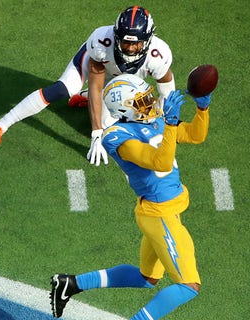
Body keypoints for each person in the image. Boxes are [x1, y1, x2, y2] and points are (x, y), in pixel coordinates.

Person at [50, 74, 213, 319]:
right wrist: (169, 124)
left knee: (146, 278)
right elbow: (161, 162)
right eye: (140, 101)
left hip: (163, 211)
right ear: (124, 108)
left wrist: (203, 107)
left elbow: (195, 135)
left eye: (147, 97)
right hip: (160, 213)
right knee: (189, 285)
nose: (149, 103)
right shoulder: (117, 136)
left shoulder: (155, 118)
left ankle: (71, 284)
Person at [0, 6, 176, 166]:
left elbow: (166, 89)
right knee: (65, 89)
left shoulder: (158, 55)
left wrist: (166, 116)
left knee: (147, 113)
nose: (131, 48)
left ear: (148, 40)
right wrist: (96, 135)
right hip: (98, 66)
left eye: (136, 44)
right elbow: (96, 86)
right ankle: (3, 124)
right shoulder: (102, 43)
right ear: (117, 37)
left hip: (126, 80)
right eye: (125, 42)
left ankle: (86, 99)